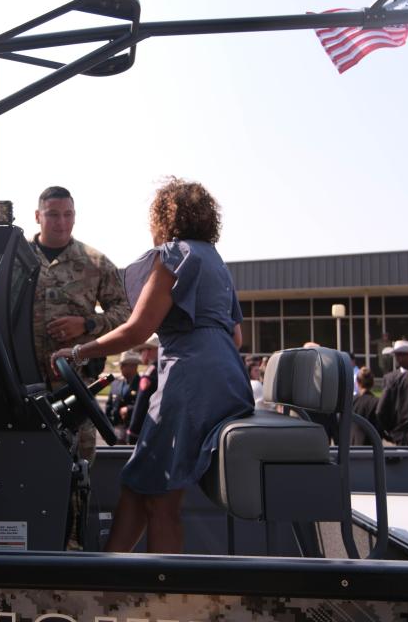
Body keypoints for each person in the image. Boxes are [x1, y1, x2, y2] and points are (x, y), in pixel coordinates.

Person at [54, 178, 253, 553]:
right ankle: (108, 578)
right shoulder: (214, 261)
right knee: (140, 483)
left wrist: (78, 352)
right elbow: (236, 338)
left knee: (160, 496)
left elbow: (138, 329)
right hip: (228, 378)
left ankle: (159, 596)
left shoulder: (173, 256)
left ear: (164, 217)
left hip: (189, 379)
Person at [30, 185, 130, 463]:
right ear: (37, 216)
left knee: (78, 468)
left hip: (74, 388)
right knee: (23, 465)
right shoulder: (14, 259)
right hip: (22, 386)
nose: (61, 222)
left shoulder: (94, 262)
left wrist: (87, 324)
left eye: (67, 214)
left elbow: (126, 312)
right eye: (52, 214)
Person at [127, 333, 159, 444]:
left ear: (149, 351)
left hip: (145, 432)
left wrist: (133, 432)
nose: (141, 355)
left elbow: (141, 406)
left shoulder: (150, 374)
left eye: (142, 351)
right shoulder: (164, 370)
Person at [105, 351, 142, 444]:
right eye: (121, 365)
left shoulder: (142, 384)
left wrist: (129, 409)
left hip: (133, 432)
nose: (121, 367)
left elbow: (144, 406)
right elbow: (109, 406)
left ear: (134, 366)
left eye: (124, 365)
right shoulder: (116, 383)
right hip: (116, 429)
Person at [351, 367, 382, 446]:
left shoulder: (350, 401)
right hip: (372, 448)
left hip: (352, 447)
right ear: (372, 383)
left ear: (357, 382)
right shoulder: (377, 402)